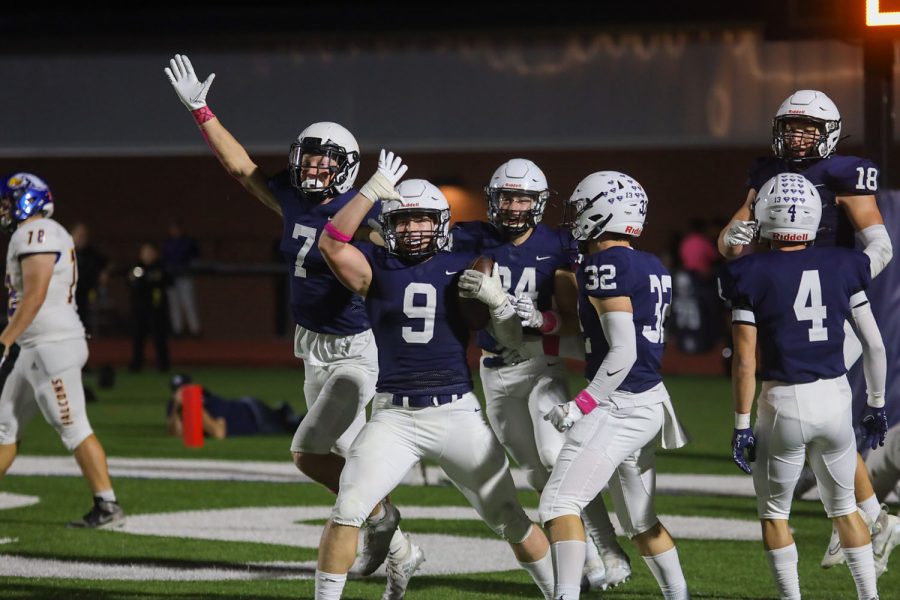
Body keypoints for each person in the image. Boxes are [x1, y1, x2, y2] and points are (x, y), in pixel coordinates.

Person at [164, 54, 409, 579]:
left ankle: (383, 521)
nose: (312, 169)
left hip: (354, 349)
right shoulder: (294, 200)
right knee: (345, 460)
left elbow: (403, 255)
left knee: (311, 451)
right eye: (309, 160)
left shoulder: (362, 213)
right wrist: (202, 110)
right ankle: (396, 540)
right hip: (311, 348)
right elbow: (240, 168)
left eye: (324, 162)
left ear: (345, 167)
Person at [317, 159, 556, 600]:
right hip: (392, 416)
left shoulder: (471, 265)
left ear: (442, 224)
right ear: (387, 226)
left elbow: (509, 343)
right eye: (402, 221)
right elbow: (331, 243)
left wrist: (499, 305)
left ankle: (560, 596)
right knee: (348, 509)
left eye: (422, 219)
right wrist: (371, 189)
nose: (412, 230)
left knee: (509, 516)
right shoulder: (376, 267)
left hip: (455, 413)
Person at [717, 89, 895, 568]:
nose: (797, 136)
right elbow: (730, 244)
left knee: (815, 411)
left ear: (828, 134)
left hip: (825, 304)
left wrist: (834, 282)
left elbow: (880, 248)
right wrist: (730, 238)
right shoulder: (766, 172)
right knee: (827, 419)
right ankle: (873, 518)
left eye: (808, 129)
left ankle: (863, 519)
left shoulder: (842, 173)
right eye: (791, 127)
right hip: (788, 300)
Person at [450, 158, 631, 591]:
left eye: (523, 198)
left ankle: (608, 548)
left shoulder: (561, 245)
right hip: (494, 371)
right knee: (534, 470)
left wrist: (545, 319)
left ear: (540, 203)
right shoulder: (469, 238)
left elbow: (578, 319)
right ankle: (587, 561)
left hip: (541, 363)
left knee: (555, 456)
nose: (514, 207)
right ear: (493, 200)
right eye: (507, 197)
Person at [540, 171, 690, 600]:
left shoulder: (605, 264)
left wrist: (580, 405)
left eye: (580, 208)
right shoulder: (650, 264)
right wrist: (541, 324)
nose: (575, 219)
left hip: (619, 404)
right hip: (647, 400)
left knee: (557, 506)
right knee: (641, 523)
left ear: (601, 211)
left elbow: (621, 352)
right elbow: (602, 343)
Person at [0, 172, 124, 528]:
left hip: (50, 346)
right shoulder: (43, 232)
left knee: (72, 426)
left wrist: (4, 339)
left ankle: (108, 506)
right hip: (34, 346)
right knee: (4, 427)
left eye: (9, 202)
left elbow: (36, 295)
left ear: (28, 199)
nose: (4, 210)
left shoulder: (35, 232)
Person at [165, 373, 302, 439]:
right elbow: (176, 434)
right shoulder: (176, 407)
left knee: (293, 428)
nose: (182, 394)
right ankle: (283, 412)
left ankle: (285, 412)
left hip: (253, 413)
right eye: (179, 391)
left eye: (186, 389)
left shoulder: (206, 402)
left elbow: (219, 433)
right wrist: (177, 409)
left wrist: (195, 406)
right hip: (251, 418)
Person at [127, 242, 170, 372]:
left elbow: (167, 280)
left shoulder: (161, 267)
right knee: (138, 337)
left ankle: (163, 364)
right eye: (145, 253)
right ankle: (136, 364)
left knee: (159, 337)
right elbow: (132, 282)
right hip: (139, 308)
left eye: (151, 252)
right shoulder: (137, 268)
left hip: (156, 308)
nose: (148, 255)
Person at [163, 222, 202, 338]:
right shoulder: (168, 243)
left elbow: (196, 257)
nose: (174, 231)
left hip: (185, 275)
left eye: (176, 228)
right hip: (171, 277)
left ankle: (195, 330)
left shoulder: (188, 242)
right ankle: (177, 330)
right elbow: (164, 259)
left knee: (188, 302)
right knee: (174, 304)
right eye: (172, 229)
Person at [70, 222, 109, 337]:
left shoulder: (92, 253)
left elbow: (106, 264)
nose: (82, 238)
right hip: (68, 295)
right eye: (79, 235)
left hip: (86, 293)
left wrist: (104, 273)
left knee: (83, 321)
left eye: (84, 235)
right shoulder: (65, 252)